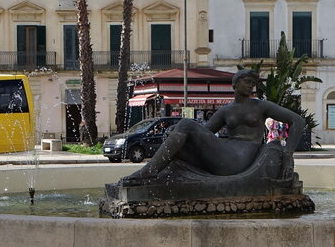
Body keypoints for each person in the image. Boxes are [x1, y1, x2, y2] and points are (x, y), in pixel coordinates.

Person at [121, 68, 306, 183]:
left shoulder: (260, 106)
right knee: (179, 134)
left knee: (185, 124)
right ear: (235, 84)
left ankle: (148, 171)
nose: (251, 86)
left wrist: (288, 153)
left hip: (242, 158)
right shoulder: (226, 111)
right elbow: (205, 134)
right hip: (225, 154)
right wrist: (173, 133)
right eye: (247, 82)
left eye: (254, 83)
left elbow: (298, 120)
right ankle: (154, 176)